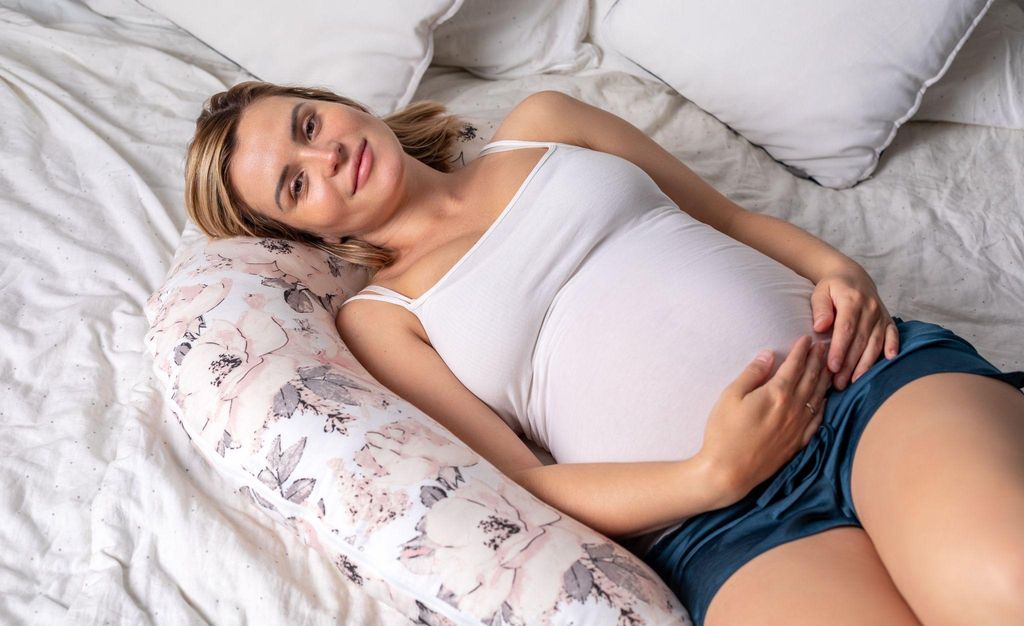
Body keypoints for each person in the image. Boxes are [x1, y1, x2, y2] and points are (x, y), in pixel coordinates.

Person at [185, 80, 1024, 626]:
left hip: (853, 384)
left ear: (337, 104)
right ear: (307, 233)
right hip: (722, 524)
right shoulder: (380, 319)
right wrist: (712, 475)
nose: (325, 154)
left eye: (308, 124)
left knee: (1004, 586)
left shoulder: (545, 126)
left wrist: (837, 268)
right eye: (297, 183)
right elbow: (523, 483)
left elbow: (728, 219)